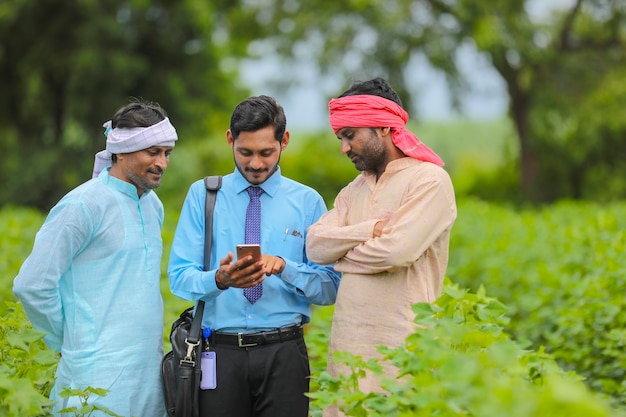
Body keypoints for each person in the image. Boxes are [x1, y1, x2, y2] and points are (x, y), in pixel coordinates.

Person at [168, 95, 341, 417]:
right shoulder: (204, 196)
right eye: (245, 152)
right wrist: (219, 279)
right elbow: (179, 277)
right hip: (218, 351)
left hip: (285, 352)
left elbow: (330, 287)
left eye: (266, 152)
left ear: (284, 141)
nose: (256, 164)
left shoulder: (307, 202)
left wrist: (287, 268)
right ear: (230, 140)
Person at [13, 99, 178, 417]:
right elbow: (32, 284)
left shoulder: (152, 206)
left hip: (149, 379)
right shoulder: (82, 205)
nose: (162, 163)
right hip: (92, 380)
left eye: (167, 153)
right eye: (152, 152)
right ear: (122, 149)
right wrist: (66, 342)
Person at [306, 77, 457, 416]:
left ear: (385, 128)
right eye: (340, 138)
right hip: (347, 352)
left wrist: (341, 256)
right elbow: (315, 246)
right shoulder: (352, 190)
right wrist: (372, 229)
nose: (344, 148)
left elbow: (396, 252)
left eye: (350, 135)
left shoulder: (429, 181)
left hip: (403, 351)